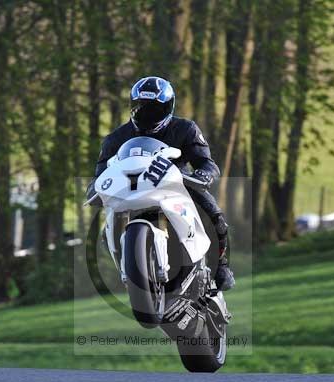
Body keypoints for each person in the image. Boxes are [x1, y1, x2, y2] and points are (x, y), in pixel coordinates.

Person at [87, 76, 235, 291]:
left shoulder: (185, 129)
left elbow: (206, 163)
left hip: (176, 184)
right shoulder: (115, 139)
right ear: (132, 107)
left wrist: (204, 174)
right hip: (132, 189)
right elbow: (100, 174)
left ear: (169, 108)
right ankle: (130, 267)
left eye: (155, 110)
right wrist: (94, 188)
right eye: (141, 109)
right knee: (104, 231)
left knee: (213, 212)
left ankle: (222, 266)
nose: (147, 115)